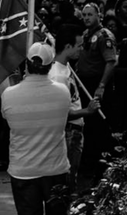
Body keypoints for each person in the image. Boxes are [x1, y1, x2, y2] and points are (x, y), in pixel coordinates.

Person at [2, 42, 71, 215]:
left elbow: (6, 117)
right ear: (50, 65)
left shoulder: (9, 95)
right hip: (55, 170)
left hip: (23, 170)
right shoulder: (63, 92)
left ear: (26, 63)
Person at [48, 26, 100, 192]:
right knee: (67, 183)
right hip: (69, 133)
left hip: (76, 131)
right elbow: (61, 113)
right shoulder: (57, 75)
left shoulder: (67, 68)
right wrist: (87, 111)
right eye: (78, 45)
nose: (81, 49)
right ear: (68, 47)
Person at [76, 4, 117, 178]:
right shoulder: (86, 35)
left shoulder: (104, 36)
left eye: (90, 14)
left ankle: (99, 166)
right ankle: (87, 163)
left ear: (98, 16)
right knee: (87, 124)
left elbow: (111, 62)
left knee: (97, 126)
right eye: (84, 15)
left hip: (97, 83)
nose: (86, 18)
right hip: (83, 83)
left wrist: (101, 86)